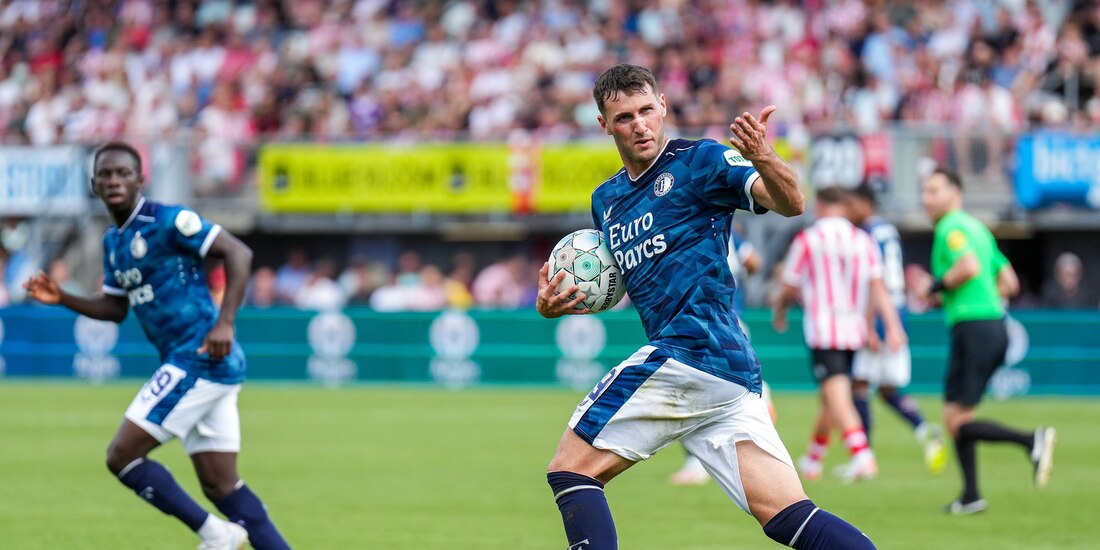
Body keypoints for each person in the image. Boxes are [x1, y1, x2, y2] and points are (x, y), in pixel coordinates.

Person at [536, 64, 875, 550]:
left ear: (664, 106)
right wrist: (559, 305)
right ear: (604, 125)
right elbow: (630, 285)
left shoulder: (701, 162)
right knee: (788, 516)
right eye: (625, 116)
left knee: (571, 470)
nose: (640, 125)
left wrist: (762, 156)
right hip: (723, 374)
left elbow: (792, 201)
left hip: (693, 351)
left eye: (647, 110)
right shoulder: (606, 201)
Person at [23, 142, 290, 549]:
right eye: (106, 175)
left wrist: (226, 323)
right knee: (222, 487)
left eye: (123, 173)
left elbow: (238, 252)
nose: (114, 180)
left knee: (121, 456)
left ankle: (217, 535)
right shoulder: (114, 242)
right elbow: (115, 308)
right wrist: (64, 298)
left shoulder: (168, 221)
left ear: (139, 180)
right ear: (94, 184)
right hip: (194, 362)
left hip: (200, 355)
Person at [917, 167, 1056, 515]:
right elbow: (1009, 282)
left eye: (934, 190)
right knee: (956, 415)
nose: (926, 198)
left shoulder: (950, 227)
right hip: (992, 324)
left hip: (974, 327)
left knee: (958, 420)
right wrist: (964, 296)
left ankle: (1031, 441)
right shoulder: (978, 227)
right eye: (925, 191)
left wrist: (936, 288)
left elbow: (967, 267)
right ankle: (970, 495)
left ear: (955, 192)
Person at [772, 186, 905, 484]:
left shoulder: (809, 239)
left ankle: (862, 456)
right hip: (854, 329)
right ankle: (814, 457)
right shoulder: (863, 239)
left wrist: (779, 311)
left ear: (819, 205)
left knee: (837, 395)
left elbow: (790, 286)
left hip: (824, 329)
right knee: (831, 396)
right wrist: (890, 326)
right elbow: (878, 286)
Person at [846, 183, 947, 474]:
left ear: (866, 203)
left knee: (859, 384)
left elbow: (872, 281)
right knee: (888, 389)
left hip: (878, 311)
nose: (850, 210)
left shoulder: (866, 234)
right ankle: (924, 429)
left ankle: (863, 456)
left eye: (853, 203)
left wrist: (872, 327)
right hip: (897, 310)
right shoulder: (889, 231)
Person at [670, 220, 772, 486]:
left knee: (686, 385)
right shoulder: (732, 236)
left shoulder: (692, 229)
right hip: (735, 319)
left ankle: (698, 461)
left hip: (711, 320)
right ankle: (761, 411)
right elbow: (755, 263)